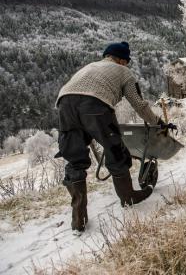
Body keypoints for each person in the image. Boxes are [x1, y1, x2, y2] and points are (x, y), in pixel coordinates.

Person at [55, 41, 175, 235]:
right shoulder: (124, 72)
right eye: (126, 61)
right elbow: (139, 104)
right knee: (115, 150)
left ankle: (79, 218)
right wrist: (158, 123)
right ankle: (128, 197)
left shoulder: (90, 66)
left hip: (64, 102)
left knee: (75, 157)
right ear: (120, 59)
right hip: (95, 104)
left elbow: (74, 92)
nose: (126, 65)